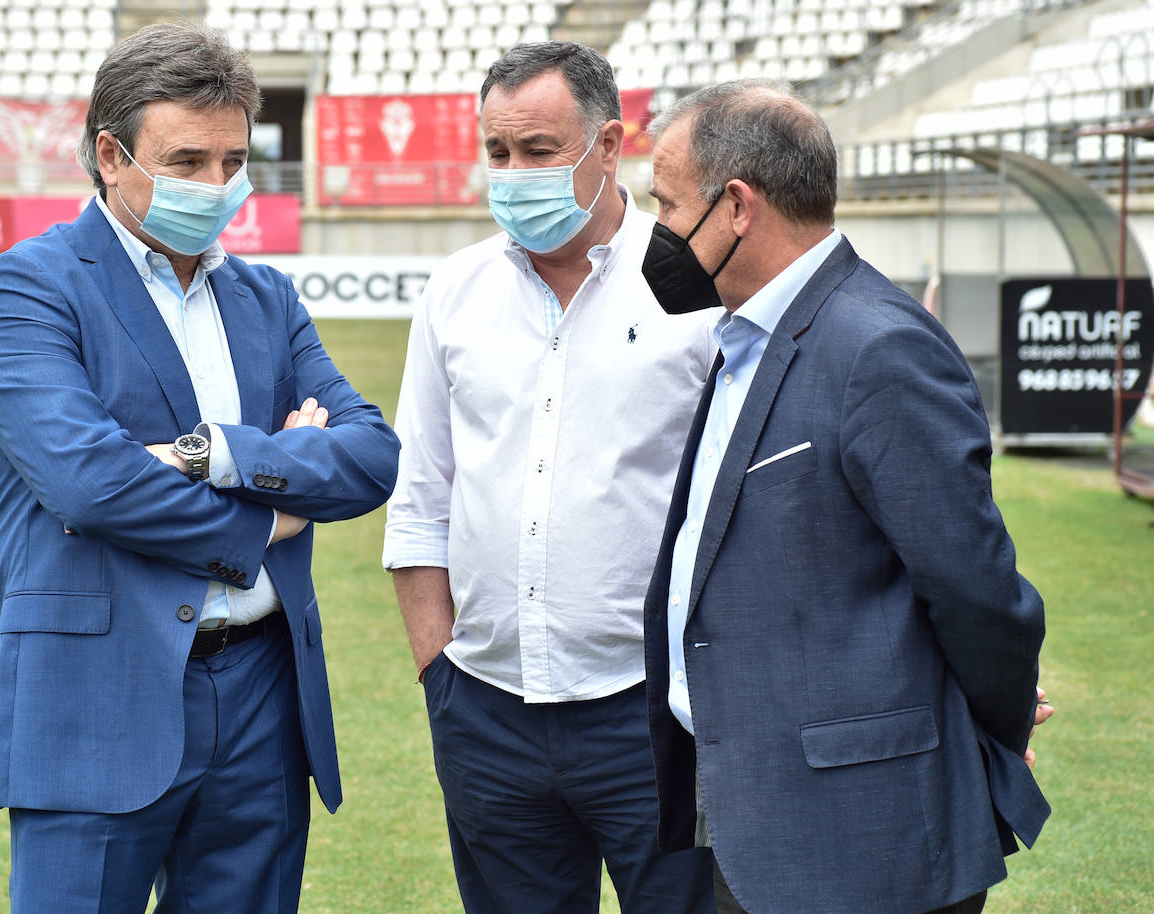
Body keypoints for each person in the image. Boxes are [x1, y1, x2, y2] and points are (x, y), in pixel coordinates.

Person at [0, 22, 399, 914]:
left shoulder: (266, 297)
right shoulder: (33, 285)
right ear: (111, 155)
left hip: (262, 697)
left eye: (232, 160)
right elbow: (90, 482)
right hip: (95, 695)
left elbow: (368, 456)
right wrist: (268, 512)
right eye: (187, 160)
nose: (216, 185)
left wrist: (219, 453)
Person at [641, 80, 1052, 914]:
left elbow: (975, 590)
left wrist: (994, 733)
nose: (657, 231)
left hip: (862, 841)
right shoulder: (747, 337)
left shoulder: (878, 346)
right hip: (753, 813)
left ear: (737, 207)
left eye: (667, 203)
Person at [383, 42, 718, 914]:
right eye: (498, 153)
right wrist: (440, 677)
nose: (513, 173)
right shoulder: (454, 291)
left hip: (656, 715)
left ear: (609, 147)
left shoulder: (696, 287)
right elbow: (420, 496)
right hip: (485, 714)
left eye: (539, 151)